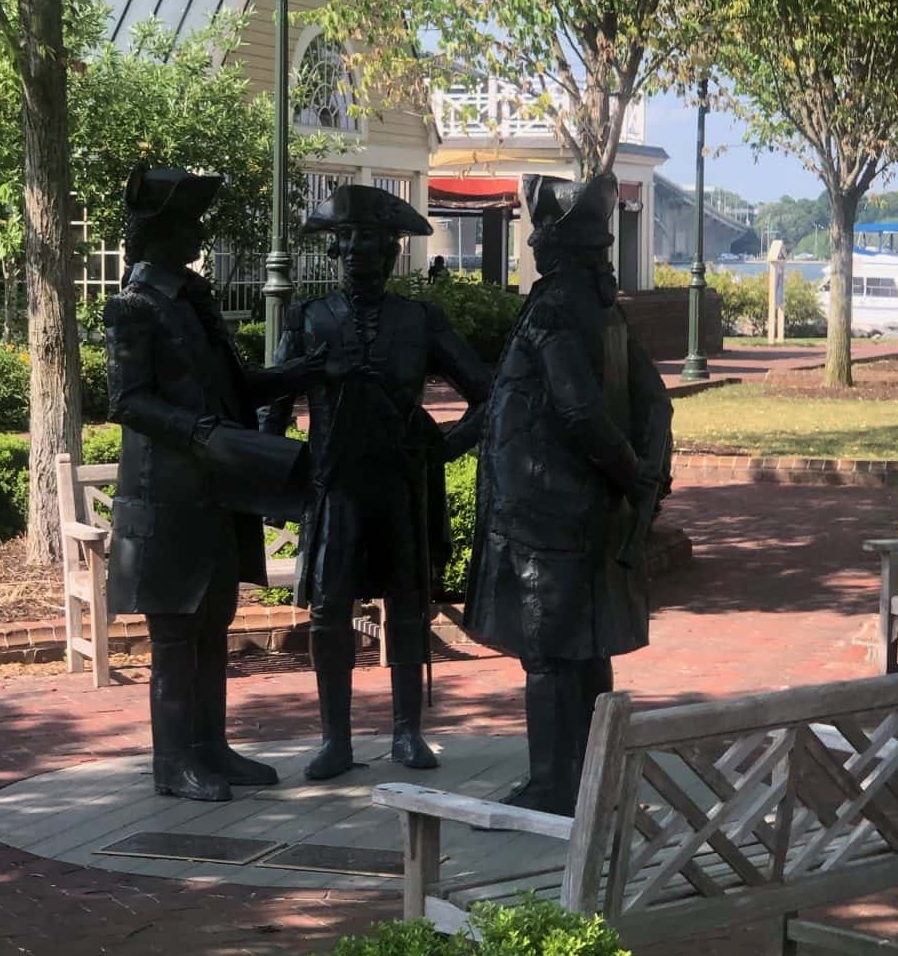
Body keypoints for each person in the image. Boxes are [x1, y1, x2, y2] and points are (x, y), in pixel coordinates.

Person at [259, 185, 492, 780]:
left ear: (394, 253)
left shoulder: (421, 321)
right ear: (335, 250)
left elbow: (487, 396)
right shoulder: (308, 319)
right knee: (328, 612)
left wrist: (442, 448)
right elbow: (274, 407)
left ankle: (408, 733)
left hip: (399, 486)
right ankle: (335, 739)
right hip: (335, 488)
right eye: (352, 240)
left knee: (408, 608)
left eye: (375, 242)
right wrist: (278, 481)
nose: (361, 251)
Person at [464, 170, 672, 817]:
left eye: (539, 245)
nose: (532, 253)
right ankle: (590, 770)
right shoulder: (603, 311)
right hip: (580, 510)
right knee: (584, 646)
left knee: (549, 654)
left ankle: (555, 783)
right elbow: (650, 399)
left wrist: (632, 472)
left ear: (557, 251)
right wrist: (636, 472)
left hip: (546, 514)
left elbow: (578, 411)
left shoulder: (555, 310)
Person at [104, 165, 308, 802]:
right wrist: (197, 433)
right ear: (159, 231)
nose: (198, 231)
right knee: (174, 633)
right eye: (188, 221)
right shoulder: (133, 307)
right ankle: (173, 763)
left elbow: (233, 387)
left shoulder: (192, 300)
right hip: (167, 496)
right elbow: (126, 401)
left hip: (214, 490)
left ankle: (211, 747)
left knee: (214, 621)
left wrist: (304, 371)